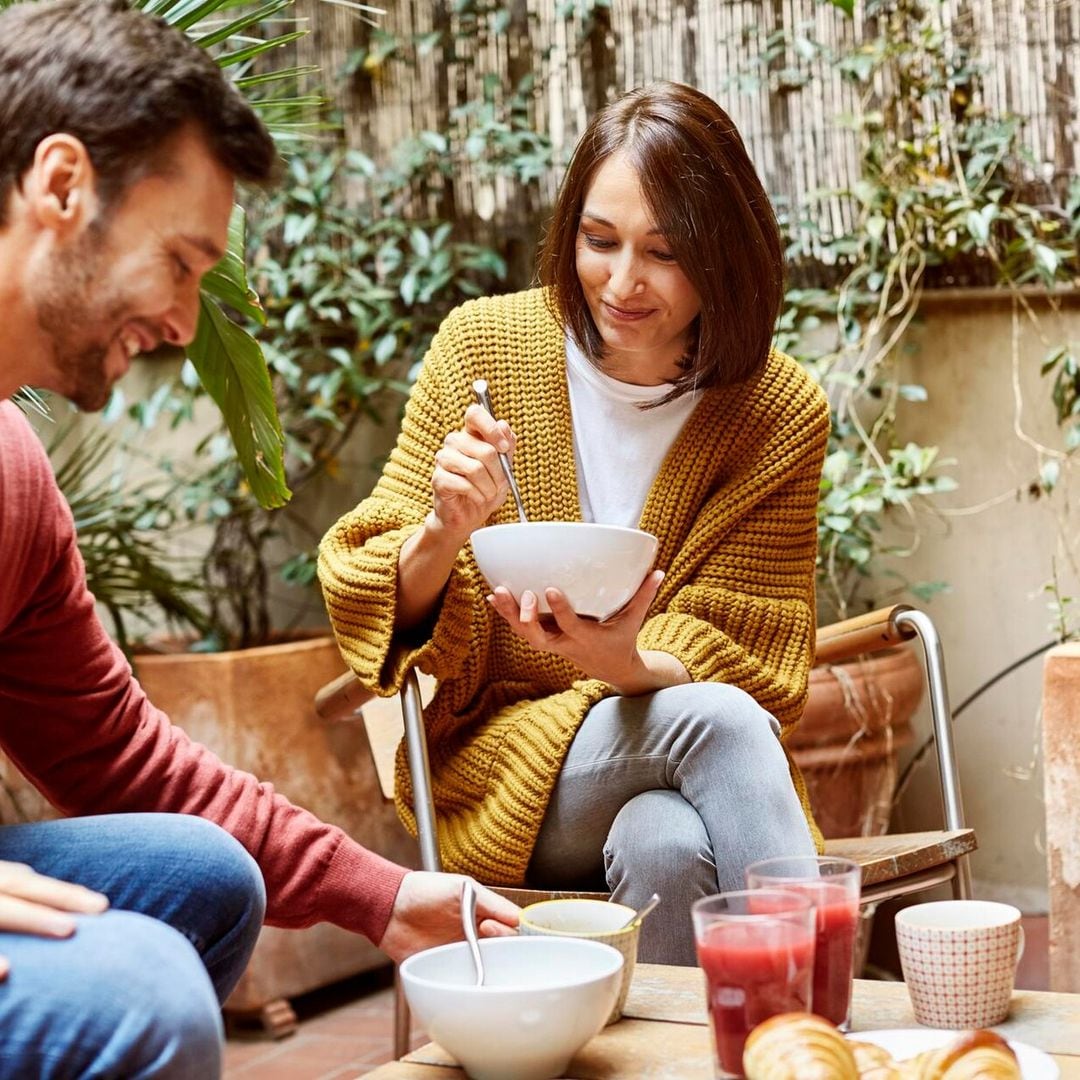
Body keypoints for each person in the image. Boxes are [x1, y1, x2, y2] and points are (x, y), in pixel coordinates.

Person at [0, 2, 518, 1077]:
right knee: (145, 1002)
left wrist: (388, 898)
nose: (189, 323)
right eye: (181, 262)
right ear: (61, 187)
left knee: (205, 871)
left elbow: (123, 762)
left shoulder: (15, 478)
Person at [319, 80, 829, 968]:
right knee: (720, 725)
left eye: (664, 254)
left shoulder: (774, 411)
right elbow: (364, 587)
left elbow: (756, 649)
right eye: (599, 241)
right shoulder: (484, 348)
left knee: (664, 840)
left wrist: (623, 664)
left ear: (725, 258)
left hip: (665, 744)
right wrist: (443, 531)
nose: (622, 283)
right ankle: (814, 1034)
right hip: (500, 767)